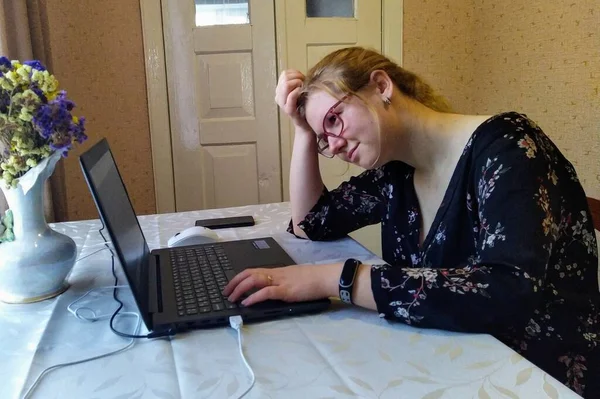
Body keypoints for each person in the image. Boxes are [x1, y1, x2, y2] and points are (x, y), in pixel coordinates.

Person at [223, 47, 599, 397]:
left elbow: (505, 291)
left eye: (334, 120)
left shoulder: (510, 148)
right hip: (451, 358)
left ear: (381, 86)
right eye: (325, 137)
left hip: (539, 374)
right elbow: (312, 223)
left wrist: (336, 279)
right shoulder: (396, 172)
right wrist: (304, 130)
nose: (333, 145)